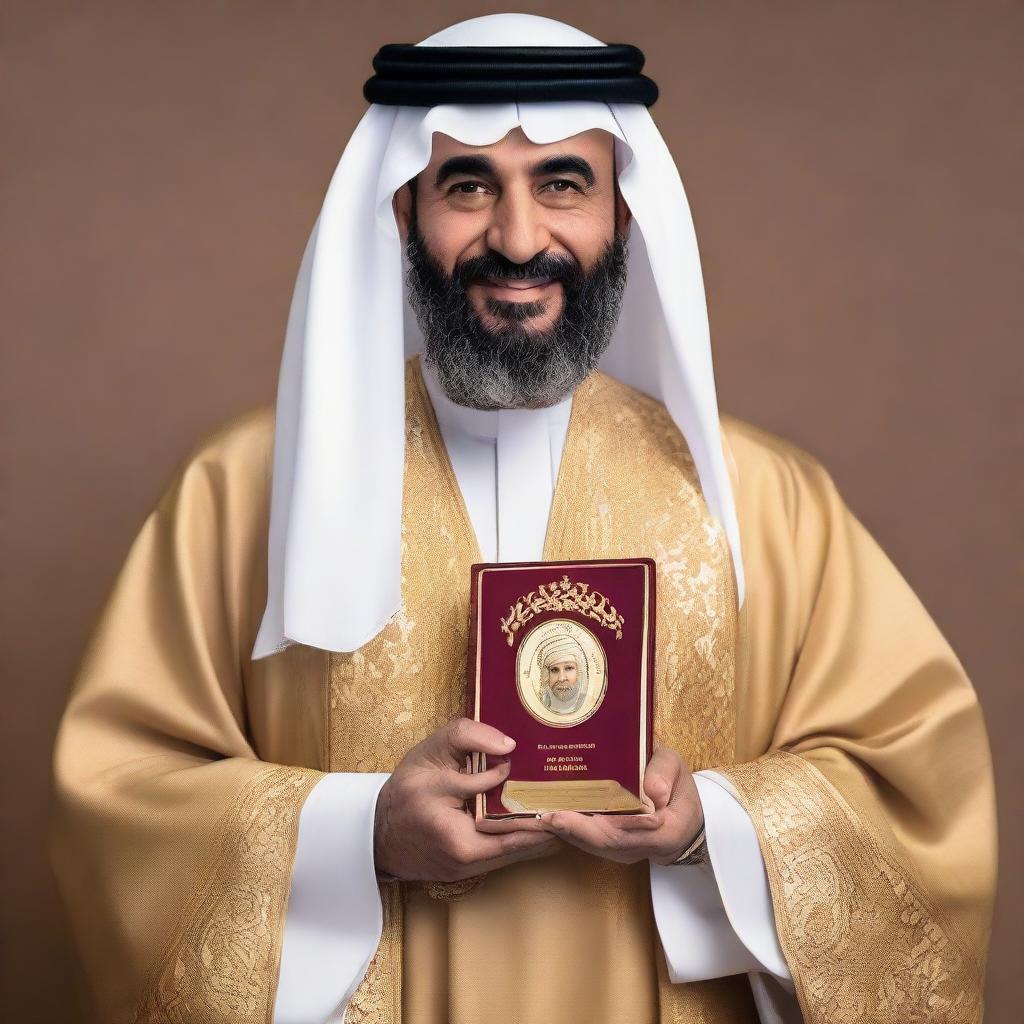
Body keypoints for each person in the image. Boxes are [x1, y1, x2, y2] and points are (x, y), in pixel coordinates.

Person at [48, 13, 996, 1024]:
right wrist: (360, 832)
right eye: (467, 187)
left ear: (622, 215)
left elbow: (914, 794)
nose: (516, 238)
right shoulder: (240, 489)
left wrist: (708, 826)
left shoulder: (765, 500)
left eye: (561, 183)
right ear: (404, 209)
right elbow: (120, 798)